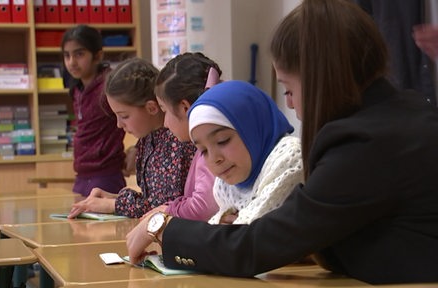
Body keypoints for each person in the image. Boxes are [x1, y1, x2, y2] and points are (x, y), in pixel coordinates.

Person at [126, 0, 438, 284]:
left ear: (320, 78)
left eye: (289, 89)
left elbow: (258, 247)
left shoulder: (364, 144)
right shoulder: (401, 114)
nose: (289, 105)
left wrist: (164, 229)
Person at [68, 57, 196, 218]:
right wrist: (114, 198)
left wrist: (113, 204)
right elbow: (151, 200)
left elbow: (164, 207)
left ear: (151, 108)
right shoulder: (147, 141)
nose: (119, 125)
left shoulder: (177, 142)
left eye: (124, 116)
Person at [186, 80, 302, 225]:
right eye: (203, 151)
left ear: (251, 128)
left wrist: (220, 231)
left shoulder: (288, 156)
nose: (215, 159)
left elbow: (247, 234)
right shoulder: (225, 184)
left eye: (223, 141)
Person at [145, 52, 220, 221]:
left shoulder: (210, 148)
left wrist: (168, 210)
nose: (165, 123)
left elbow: (203, 207)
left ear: (185, 108)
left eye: (165, 111)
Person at [62, 24, 126, 196]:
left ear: (97, 55)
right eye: (67, 55)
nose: (72, 62)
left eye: (79, 54)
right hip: (82, 174)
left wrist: (136, 149)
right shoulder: (76, 89)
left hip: (106, 175)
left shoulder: (110, 84)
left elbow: (141, 115)